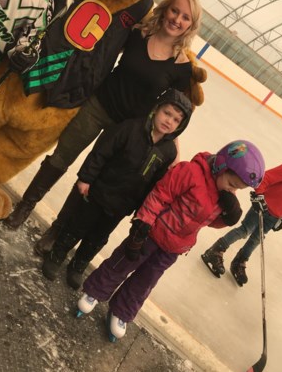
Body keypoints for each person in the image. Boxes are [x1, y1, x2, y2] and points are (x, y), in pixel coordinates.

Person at [4, 0, 203, 231]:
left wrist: (175, 148)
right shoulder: (138, 35)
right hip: (98, 105)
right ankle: (26, 205)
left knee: (92, 179)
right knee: (61, 157)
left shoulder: (182, 67)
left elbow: (174, 109)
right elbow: (102, 54)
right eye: (175, 11)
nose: (177, 20)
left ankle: (57, 231)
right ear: (166, 9)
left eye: (185, 18)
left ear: (191, 26)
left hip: (127, 127)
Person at [74, 140, 265, 342]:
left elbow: (207, 222)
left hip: (173, 248)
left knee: (145, 281)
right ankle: (95, 292)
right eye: (232, 184)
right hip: (150, 234)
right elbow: (160, 195)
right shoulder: (190, 172)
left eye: (237, 189)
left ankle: (121, 312)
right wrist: (142, 224)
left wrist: (227, 218)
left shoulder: (222, 196)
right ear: (221, 165)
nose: (232, 191)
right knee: (121, 263)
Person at [41, 88, 192, 289]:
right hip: (98, 192)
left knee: (98, 236)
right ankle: (57, 254)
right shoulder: (130, 128)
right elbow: (101, 153)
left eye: (176, 120)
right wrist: (86, 178)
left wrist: (141, 211)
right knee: (78, 225)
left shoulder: (168, 151)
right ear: (156, 109)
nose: (169, 121)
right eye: (167, 113)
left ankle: (78, 265)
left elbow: (155, 185)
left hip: (122, 204)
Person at [201, 131, 282, 286]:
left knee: (257, 238)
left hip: (275, 215)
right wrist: (258, 196)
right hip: (262, 207)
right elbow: (265, 179)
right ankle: (215, 250)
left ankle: (240, 261)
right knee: (245, 230)